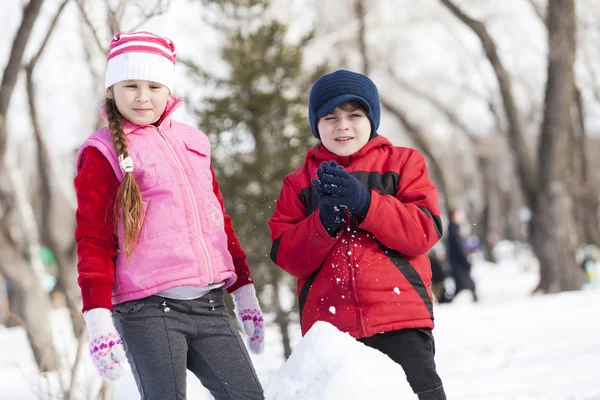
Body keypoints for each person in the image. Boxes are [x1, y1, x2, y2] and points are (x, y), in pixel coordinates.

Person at [74, 31, 264, 400]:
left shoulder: (194, 142)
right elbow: (93, 239)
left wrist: (244, 294)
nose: (143, 96)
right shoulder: (102, 152)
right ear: (111, 90)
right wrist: (98, 320)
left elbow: (218, 221)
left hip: (210, 306)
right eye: (131, 85)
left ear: (169, 91)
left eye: (154, 86)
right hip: (148, 311)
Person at [268, 69, 446, 400]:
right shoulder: (298, 183)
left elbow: (424, 231)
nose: (343, 125)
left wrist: (367, 204)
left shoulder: (404, 164)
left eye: (354, 114)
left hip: (400, 320)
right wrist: (323, 223)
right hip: (332, 333)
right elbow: (287, 255)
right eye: (330, 116)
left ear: (372, 118)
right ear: (316, 124)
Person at [446, 209, 478, 302]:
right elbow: (458, 247)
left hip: (458, 262)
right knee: (464, 285)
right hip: (458, 263)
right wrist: (465, 260)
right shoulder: (453, 230)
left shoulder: (454, 228)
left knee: (463, 285)